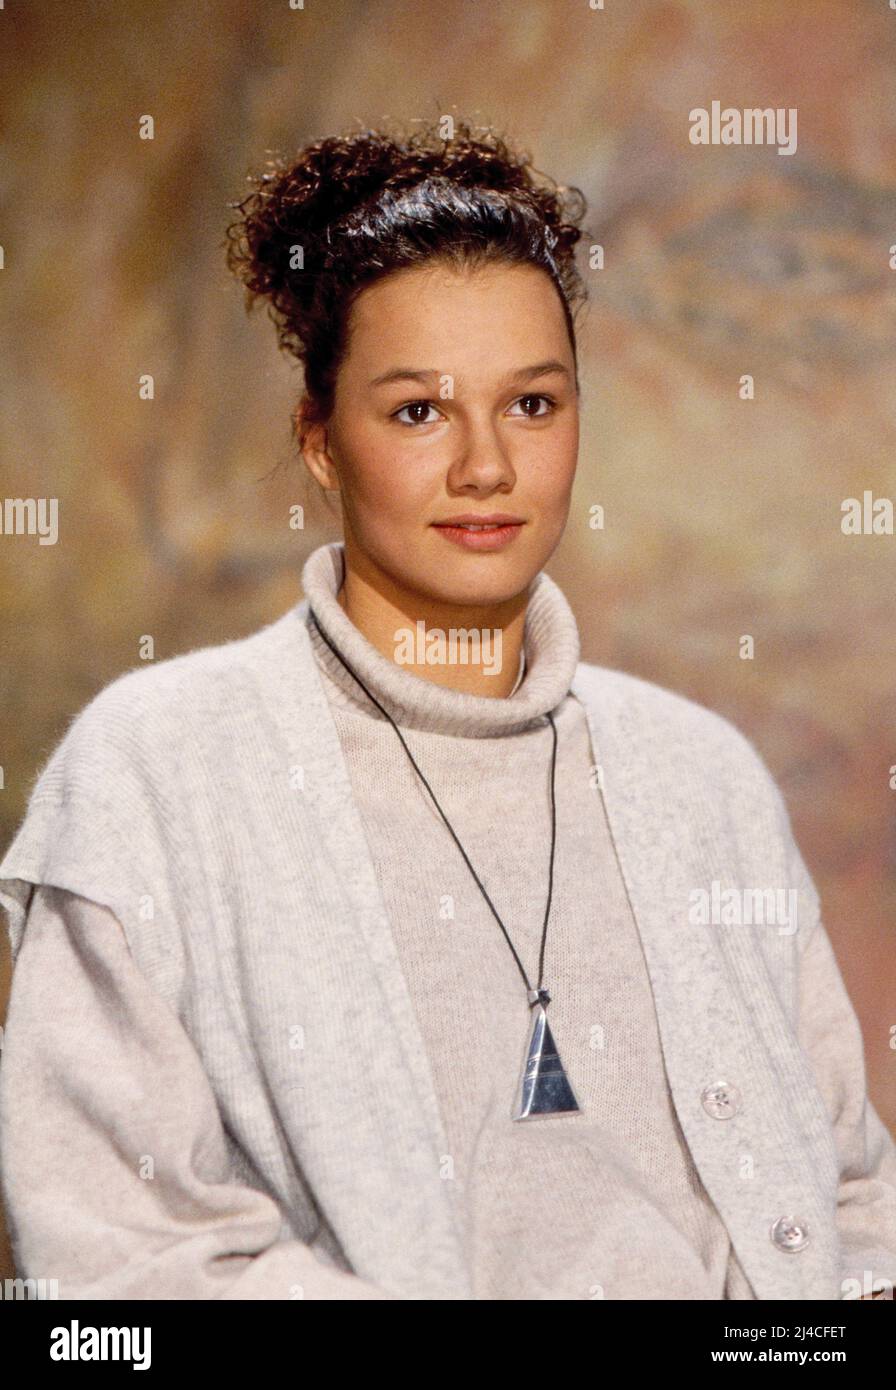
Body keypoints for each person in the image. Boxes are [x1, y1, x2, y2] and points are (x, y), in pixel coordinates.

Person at [1, 120, 894, 1301]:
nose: (485, 466)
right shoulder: (160, 772)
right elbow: (115, 1264)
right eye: (417, 410)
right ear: (319, 442)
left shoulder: (700, 778)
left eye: (530, 404)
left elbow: (848, 1197)